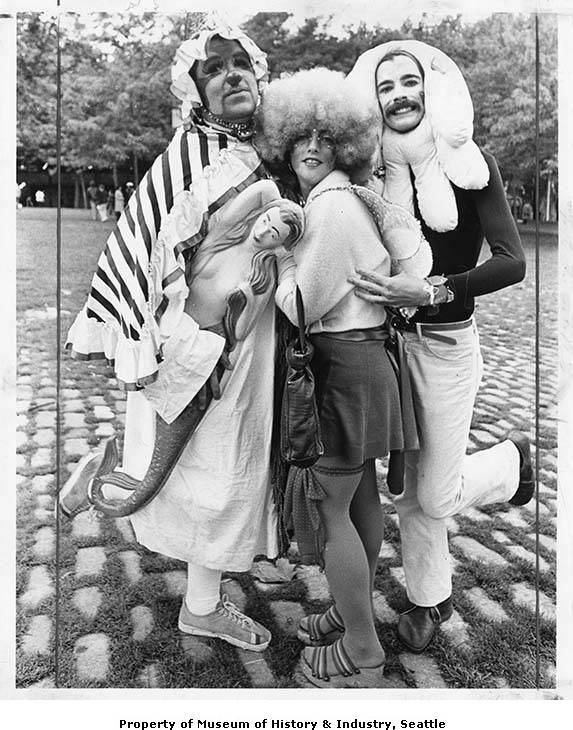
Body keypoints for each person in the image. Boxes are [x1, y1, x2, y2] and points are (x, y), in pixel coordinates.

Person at [62, 26, 288, 653]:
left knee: (212, 471)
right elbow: (137, 250)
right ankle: (196, 597)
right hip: (202, 349)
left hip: (245, 346)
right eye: (214, 69)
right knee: (209, 474)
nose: (232, 75)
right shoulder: (190, 160)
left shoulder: (248, 153)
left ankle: (115, 472)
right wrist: (154, 344)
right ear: (196, 91)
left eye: (242, 64)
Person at [348, 41, 532, 654]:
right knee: (406, 486)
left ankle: (509, 464)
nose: (399, 95)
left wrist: (431, 291)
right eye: (385, 86)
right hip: (389, 349)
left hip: (450, 346)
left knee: (435, 492)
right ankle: (432, 601)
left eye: (410, 81)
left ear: (432, 89)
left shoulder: (472, 166)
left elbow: (512, 263)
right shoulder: (370, 173)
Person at [255, 67, 422, 688]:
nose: (311, 147)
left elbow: (303, 305)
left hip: (341, 367)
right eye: (300, 138)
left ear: (345, 144)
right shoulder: (345, 200)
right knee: (358, 500)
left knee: (329, 511)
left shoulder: (327, 207)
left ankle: (361, 646)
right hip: (367, 363)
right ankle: (349, 613)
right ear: (283, 143)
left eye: (324, 137)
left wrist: (276, 264)